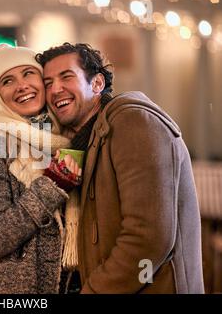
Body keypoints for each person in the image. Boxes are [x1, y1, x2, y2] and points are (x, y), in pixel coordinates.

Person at [36, 42, 205, 293]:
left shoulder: (132, 122)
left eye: (66, 77)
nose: (55, 89)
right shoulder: (86, 141)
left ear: (97, 84)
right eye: (48, 83)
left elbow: (147, 239)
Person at [0, 44, 81, 294]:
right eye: (7, 80)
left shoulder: (70, 136)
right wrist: (51, 185)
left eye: (29, 73)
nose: (22, 85)